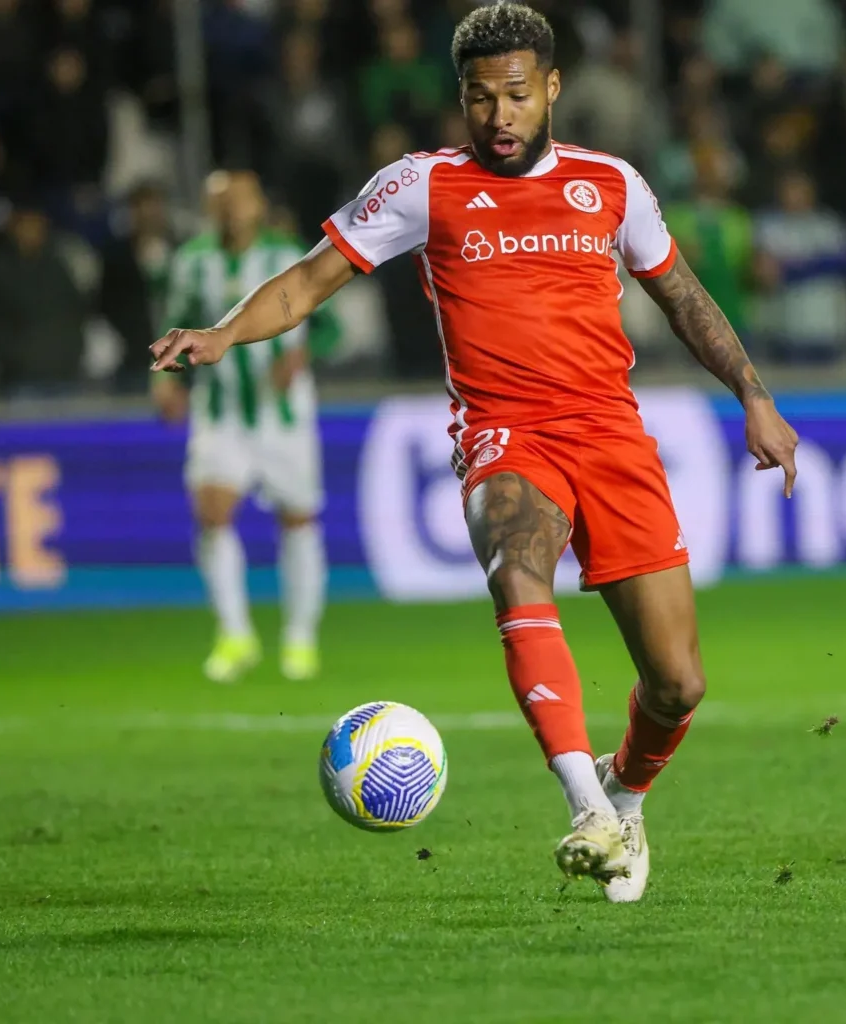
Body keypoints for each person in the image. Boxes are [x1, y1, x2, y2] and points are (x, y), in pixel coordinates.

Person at [149, 3, 799, 902]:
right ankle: (587, 809)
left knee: (679, 683)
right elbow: (307, 281)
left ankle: (625, 794)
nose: (499, 116)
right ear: (461, 97)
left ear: (553, 90)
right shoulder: (421, 186)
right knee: (516, 564)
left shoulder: (611, 184)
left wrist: (754, 397)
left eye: (518, 96)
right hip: (505, 432)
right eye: (481, 98)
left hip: (611, 432)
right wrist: (224, 334)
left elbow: (682, 297)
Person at [152, 170, 328, 685]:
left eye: (240, 200)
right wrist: (165, 381)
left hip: (284, 416)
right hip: (221, 412)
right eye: (221, 201)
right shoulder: (191, 262)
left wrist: (300, 354)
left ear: (258, 205)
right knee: (211, 511)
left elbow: (331, 326)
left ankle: (299, 638)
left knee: (297, 520)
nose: (231, 209)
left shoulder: (290, 255)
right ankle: (233, 633)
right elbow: (177, 322)